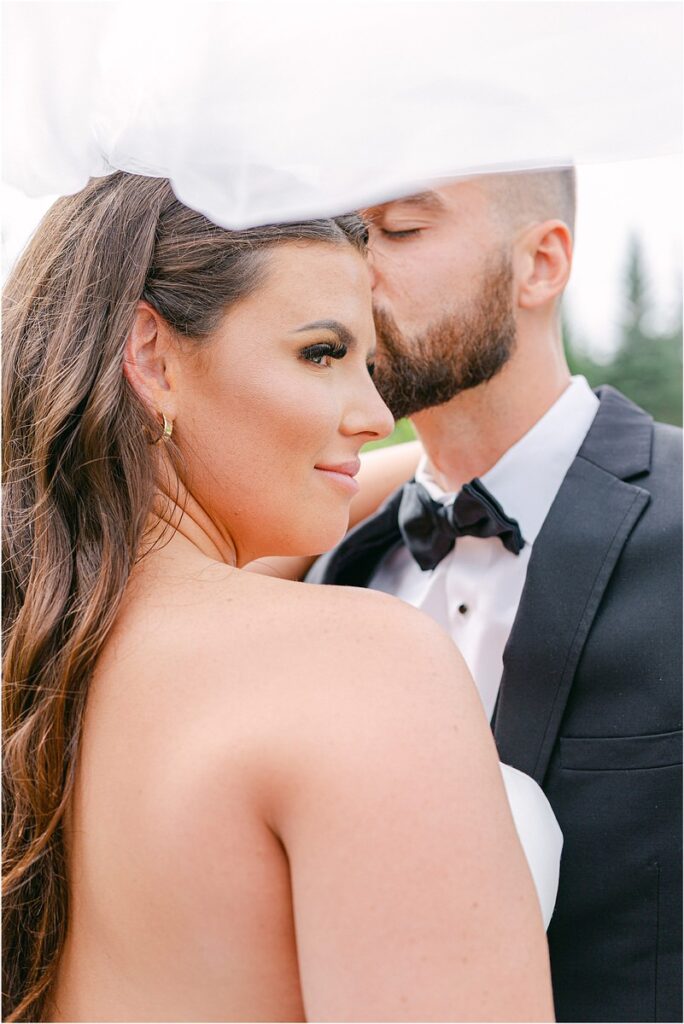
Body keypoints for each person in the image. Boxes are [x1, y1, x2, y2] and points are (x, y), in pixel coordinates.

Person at [2, 171, 558, 1023]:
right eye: (322, 354)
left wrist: (466, 460)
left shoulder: (42, 653)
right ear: (151, 357)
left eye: (368, 365)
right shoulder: (361, 667)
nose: (378, 414)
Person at [307, 167, 683, 1023]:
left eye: (399, 232)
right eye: (351, 236)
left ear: (541, 264)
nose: (354, 274)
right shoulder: (334, 569)